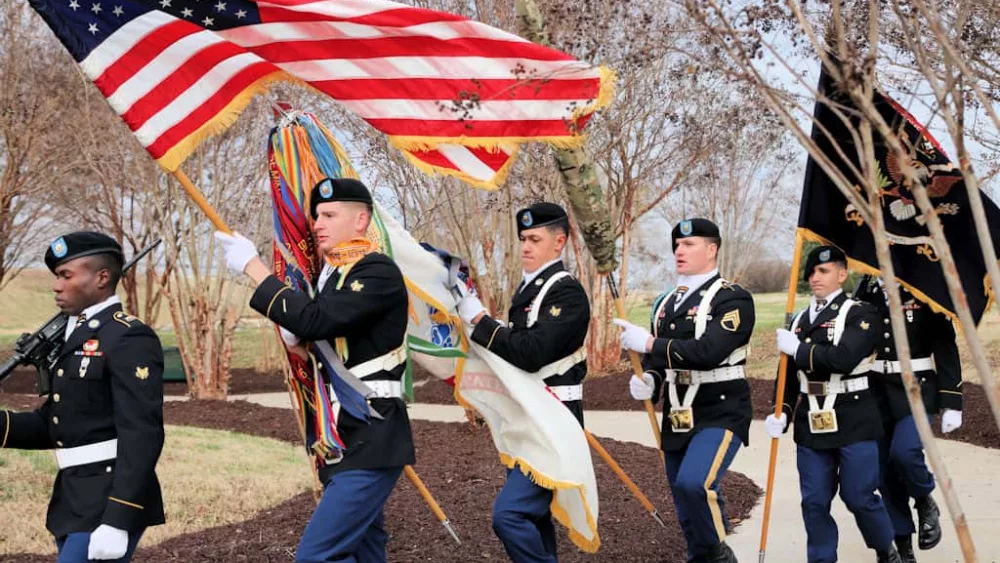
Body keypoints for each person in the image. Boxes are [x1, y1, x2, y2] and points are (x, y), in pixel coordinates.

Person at [214, 177, 415, 563]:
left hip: (372, 434)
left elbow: (319, 321)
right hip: (341, 434)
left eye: (329, 214)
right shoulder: (335, 277)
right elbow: (334, 343)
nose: (317, 223)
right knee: (364, 552)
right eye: (316, 215)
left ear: (360, 221)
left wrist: (254, 268)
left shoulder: (376, 272)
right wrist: (302, 344)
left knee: (316, 556)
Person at [0, 231, 165, 562]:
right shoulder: (77, 335)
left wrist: (119, 518)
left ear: (102, 277)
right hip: (74, 496)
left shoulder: (127, 337)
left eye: (66, 275)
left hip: (108, 499)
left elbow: (142, 433)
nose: (56, 285)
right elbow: (59, 422)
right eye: (56, 276)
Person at [454, 202, 590, 563]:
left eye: (535, 239)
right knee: (533, 517)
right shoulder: (527, 292)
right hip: (530, 416)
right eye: (523, 239)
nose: (526, 246)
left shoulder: (566, 293)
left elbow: (531, 353)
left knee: (510, 515)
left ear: (559, 242)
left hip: (554, 418)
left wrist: (482, 321)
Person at [613, 218, 754, 563]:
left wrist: (648, 342)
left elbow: (708, 352)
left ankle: (720, 554)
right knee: (685, 503)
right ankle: (702, 555)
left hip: (721, 409)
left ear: (712, 249)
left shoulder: (733, 299)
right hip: (678, 414)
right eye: (677, 245)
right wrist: (651, 380)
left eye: (689, 244)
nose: (679, 250)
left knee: (695, 484)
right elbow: (659, 361)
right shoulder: (665, 303)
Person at [766, 246, 902, 563]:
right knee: (813, 501)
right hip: (811, 420)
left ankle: (885, 548)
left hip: (853, 417)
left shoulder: (861, 313)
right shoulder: (798, 319)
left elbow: (843, 358)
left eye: (824, 271)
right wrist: (782, 411)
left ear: (842, 274)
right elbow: (786, 375)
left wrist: (798, 348)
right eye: (812, 272)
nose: (815, 277)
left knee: (859, 497)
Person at [855, 275, 961, 562]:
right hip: (876, 389)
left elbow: (945, 345)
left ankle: (925, 500)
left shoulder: (922, 287)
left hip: (917, 388)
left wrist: (952, 400)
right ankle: (903, 548)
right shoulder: (867, 289)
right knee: (884, 472)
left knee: (905, 452)